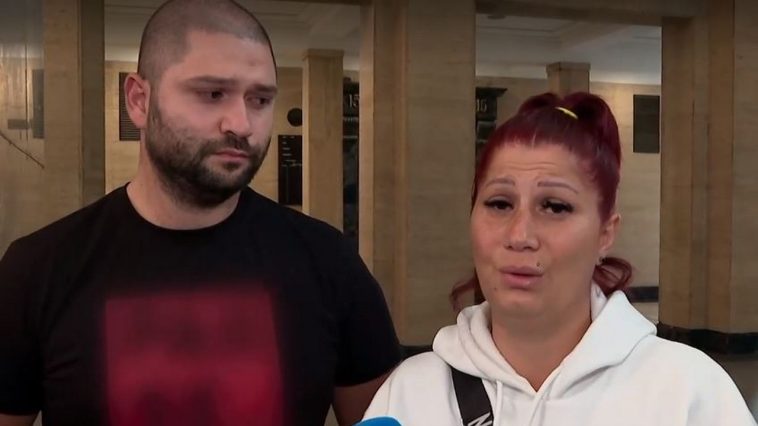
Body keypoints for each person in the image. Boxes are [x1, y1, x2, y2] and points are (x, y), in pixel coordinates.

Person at [0, 1, 400, 425]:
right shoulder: (36, 270)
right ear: (138, 100)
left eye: (260, 99)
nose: (241, 124)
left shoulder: (330, 262)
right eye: (212, 94)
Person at [363, 92, 756, 425]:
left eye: (555, 207)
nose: (520, 236)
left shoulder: (686, 392)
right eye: (499, 204)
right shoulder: (411, 394)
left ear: (606, 233)